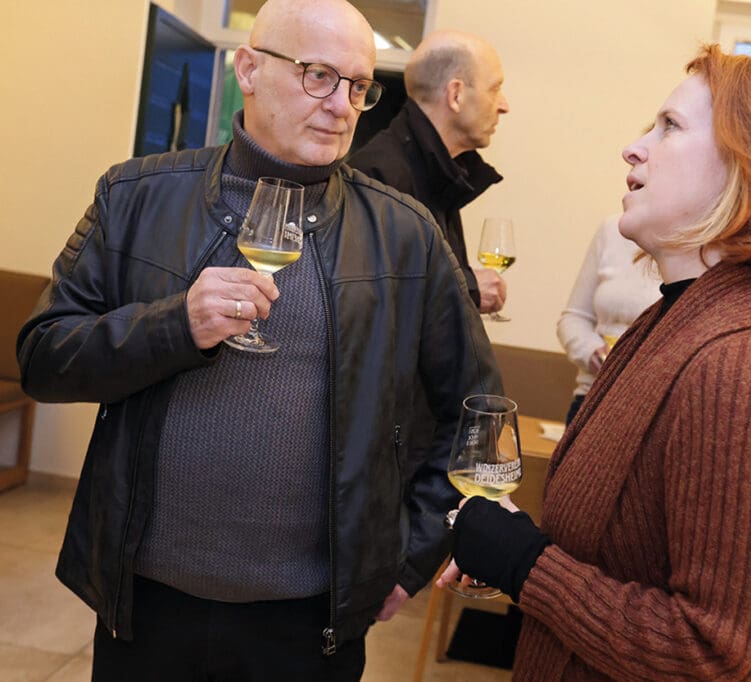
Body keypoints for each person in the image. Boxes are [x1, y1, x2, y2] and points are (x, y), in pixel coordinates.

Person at [16, 1, 500, 680]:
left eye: (359, 86)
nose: (342, 106)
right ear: (249, 68)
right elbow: (42, 359)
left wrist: (409, 557)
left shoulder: (405, 234)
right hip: (145, 612)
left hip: (309, 629)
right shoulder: (135, 197)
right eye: (318, 76)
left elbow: (476, 414)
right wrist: (175, 326)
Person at [439, 43, 751, 680]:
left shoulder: (747, 370)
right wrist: (517, 549)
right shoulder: (683, 319)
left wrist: (527, 564)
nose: (633, 147)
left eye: (669, 127)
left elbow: (723, 657)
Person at [347, 29, 510, 314]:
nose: (503, 105)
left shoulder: (442, 170)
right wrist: (469, 289)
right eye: (494, 89)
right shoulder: (379, 176)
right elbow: (370, 301)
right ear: (456, 95)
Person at [556, 213, 661, 424]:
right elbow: (573, 318)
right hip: (592, 398)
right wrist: (593, 353)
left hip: (654, 409)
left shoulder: (713, 243)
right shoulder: (613, 230)